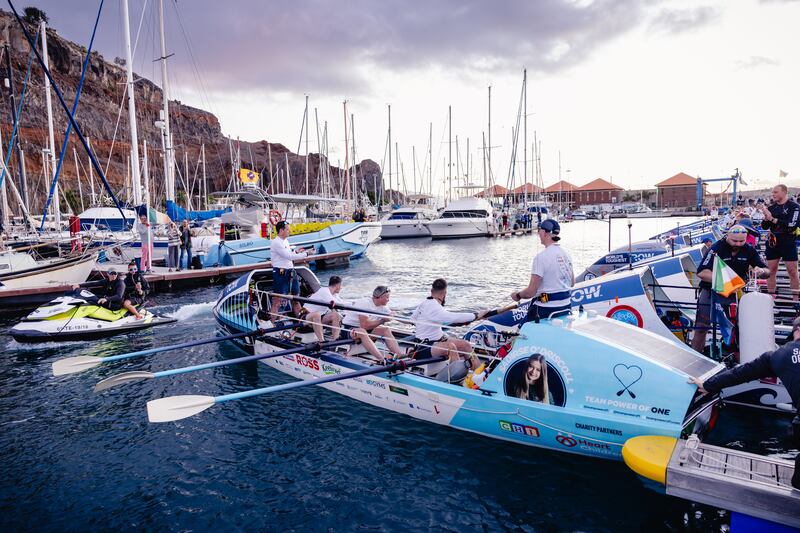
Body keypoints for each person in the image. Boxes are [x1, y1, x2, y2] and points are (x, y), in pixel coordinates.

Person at [689, 316, 800, 490]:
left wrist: (708, 385)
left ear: (796, 331)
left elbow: (742, 373)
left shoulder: (779, 355)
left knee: (797, 485)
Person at [690, 225, 768, 353]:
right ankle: (696, 355)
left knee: (739, 328)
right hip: (711, 291)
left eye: (741, 241)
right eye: (734, 241)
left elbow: (767, 271)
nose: (738, 244)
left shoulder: (749, 250)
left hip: (735, 293)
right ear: (727, 236)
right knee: (701, 327)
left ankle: (739, 360)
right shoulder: (715, 248)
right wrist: (728, 282)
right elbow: (702, 273)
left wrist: (760, 270)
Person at [410, 278, 487, 383]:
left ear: (432, 291)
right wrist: (476, 315)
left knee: (465, 345)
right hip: (423, 347)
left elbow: (412, 320)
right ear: (444, 293)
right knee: (451, 347)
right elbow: (452, 317)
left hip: (437, 340)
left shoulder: (424, 304)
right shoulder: (434, 306)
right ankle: (457, 381)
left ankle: (479, 376)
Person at [511, 219, 574, 323]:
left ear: (545, 233)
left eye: (540, 231)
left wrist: (517, 295)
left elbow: (530, 292)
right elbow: (571, 283)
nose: (538, 234)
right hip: (566, 306)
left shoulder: (541, 258)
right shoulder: (566, 255)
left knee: (521, 332)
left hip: (546, 310)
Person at [341, 285, 403, 362]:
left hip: (363, 329)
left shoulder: (383, 307)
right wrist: (382, 320)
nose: (388, 300)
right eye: (387, 297)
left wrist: (413, 322)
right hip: (348, 329)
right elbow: (364, 326)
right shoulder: (365, 303)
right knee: (362, 331)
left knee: (386, 329)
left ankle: (399, 355)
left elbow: (396, 316)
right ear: (380, 297)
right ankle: (382, 359)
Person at [760, 184, 800, 303]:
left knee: (792, 271)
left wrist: (773, 219)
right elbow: (764, 226)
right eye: (772, 192)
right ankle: (771, 298)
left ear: (784, 192)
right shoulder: (771, 208)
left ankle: (795, 299)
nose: (773, 194)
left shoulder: (795, 207)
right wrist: (766, 218)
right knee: (770, 271)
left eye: (776, 192)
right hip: (773, 242)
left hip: (788, 241)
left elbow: (792, 224)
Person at [269, 220, 308, 322]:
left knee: (296, 299)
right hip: (280, 271)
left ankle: (301, 323)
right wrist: (306, 254)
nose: (289, 231)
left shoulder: (285, 241)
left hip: (290, 270)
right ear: (281, 230)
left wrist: (297, 252)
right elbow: (289, 256)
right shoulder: (276, 242)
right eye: (287, 230)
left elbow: (289, 253)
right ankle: (270, 324)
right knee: (277, 301)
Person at [304, 275, 344, 343]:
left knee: (336, 315)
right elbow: (337, 303)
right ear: (338, 285)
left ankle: (336, 341)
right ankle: (322, 341)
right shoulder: (324, 291)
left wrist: (355, 303)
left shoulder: (334, 294)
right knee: (316, 315)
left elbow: (343, 302)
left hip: (320, 316)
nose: (341, 287)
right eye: (341, 285)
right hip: (305, 315)